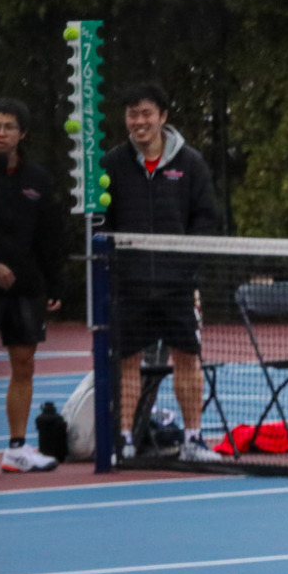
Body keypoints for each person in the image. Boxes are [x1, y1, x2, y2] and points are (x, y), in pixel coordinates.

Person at [102, 82, 220, 463]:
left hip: (177, 286)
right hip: (129, 285)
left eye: (146, 114)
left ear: (163, 117)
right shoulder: (111, 164)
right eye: (132, 114)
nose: (139, 122)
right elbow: (99, 222)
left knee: (187, 358)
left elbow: (206, 218)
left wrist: (185, 265)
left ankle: (193, 439)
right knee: (127, 361)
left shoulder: (190, 163)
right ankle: (123, 441)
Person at [0, 98, 65, 473]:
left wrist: (55, 283)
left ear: (22, 134)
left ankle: (17, 450)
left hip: (26, 287)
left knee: (24, 364)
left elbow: (49, 235)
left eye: (7, 127)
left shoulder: (38, 179)